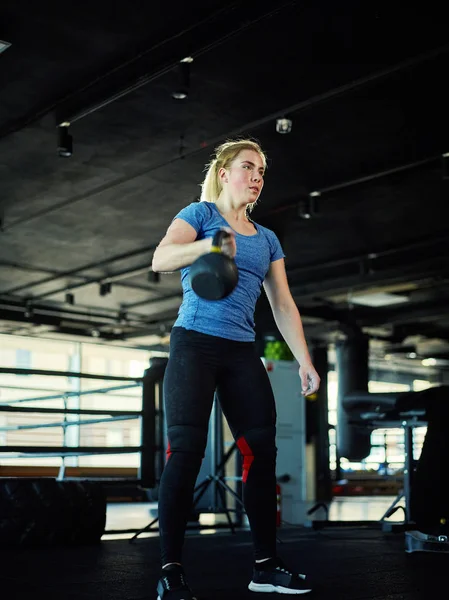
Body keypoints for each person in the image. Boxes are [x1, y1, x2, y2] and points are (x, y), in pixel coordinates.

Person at [151, 139, 320, 599]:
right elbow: (160, 258)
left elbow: (282, 303)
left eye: (262, 171)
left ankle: (265, 567)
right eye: (249, 167)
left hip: (240, 350)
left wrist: (304, 359)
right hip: (194, 344)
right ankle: (170, 572)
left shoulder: (267, 239)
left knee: (262, 453)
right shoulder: (200, 215)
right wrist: (210, 244)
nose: (257, 177)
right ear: (225, 172)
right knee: (184, 452)